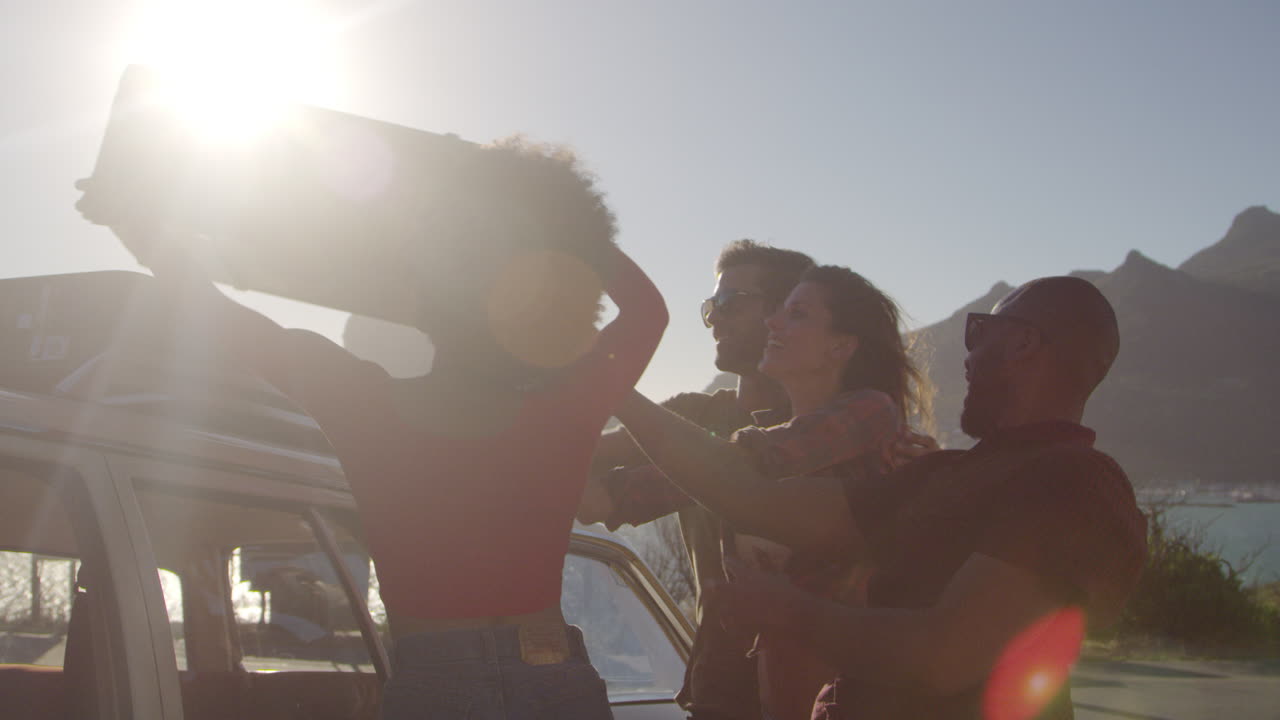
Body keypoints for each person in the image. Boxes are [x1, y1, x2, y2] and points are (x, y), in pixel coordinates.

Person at [77, 141, 669, 720]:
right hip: (554, 675)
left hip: (438, 683)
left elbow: (210, 310)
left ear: (424, 304)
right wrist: (554, 218)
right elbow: (647, 310)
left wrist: (137, 224)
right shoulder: (565, 406)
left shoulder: (362, 403)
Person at [614, 276, 1148, 720]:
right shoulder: (943, 475)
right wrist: (609, 385)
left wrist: (786, 609)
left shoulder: (1072, 481)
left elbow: (944, 654)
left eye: (979, 331)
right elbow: (748, 495)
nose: (967, 352)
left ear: (1024, 343)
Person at [599, 262, 932, 720]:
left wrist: (610, 384)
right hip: (733, 691)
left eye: (795, 314)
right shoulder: (761, 437)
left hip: (833, 697)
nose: (773, 322)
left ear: (841, 345)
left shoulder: (868, 417)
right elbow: (666, 484)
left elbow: (738, 469)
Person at [578, 239, 815, 720]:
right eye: (711, 306)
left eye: (731, 304)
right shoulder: (695, 414)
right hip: (720, 694)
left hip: (817, 693)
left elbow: (598, 496)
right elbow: (577, 456)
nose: (715, 319)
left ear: (784, 314)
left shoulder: (824, 434)